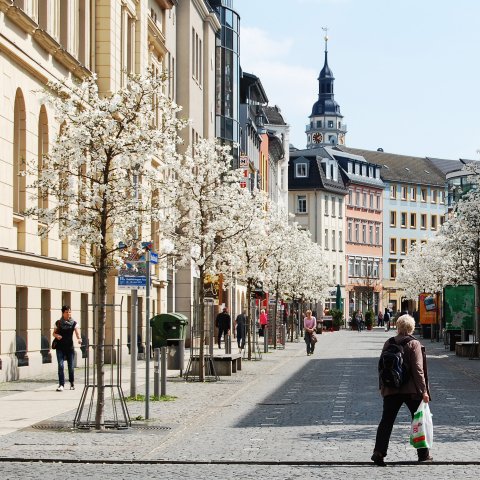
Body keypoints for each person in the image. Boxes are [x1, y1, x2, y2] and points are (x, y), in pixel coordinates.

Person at [372, 314, 432, 466]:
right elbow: (418, 370)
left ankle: (379, 452)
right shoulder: (414, 344)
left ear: (397, 326)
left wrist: (383, 387)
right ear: (412, 327)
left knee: (386, 421)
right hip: (411, 391)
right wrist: (424, 391)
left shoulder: (388, 342)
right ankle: (423, 455)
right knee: (418, 421)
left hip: (391, 389)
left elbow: (381, 367)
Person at [53, 305, 81, 391]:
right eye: (67, 312)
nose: (69, 313)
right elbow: (53, 333)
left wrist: (79, 338)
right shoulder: (58, 323)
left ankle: (72, 383)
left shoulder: (74, 323)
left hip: (69, 348)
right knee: (60, 366)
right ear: (63, 313)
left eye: (69, 312)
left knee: (71, 366)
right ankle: (61, 384)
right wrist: (56, 335)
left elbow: (77, 332)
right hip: (60, 347)